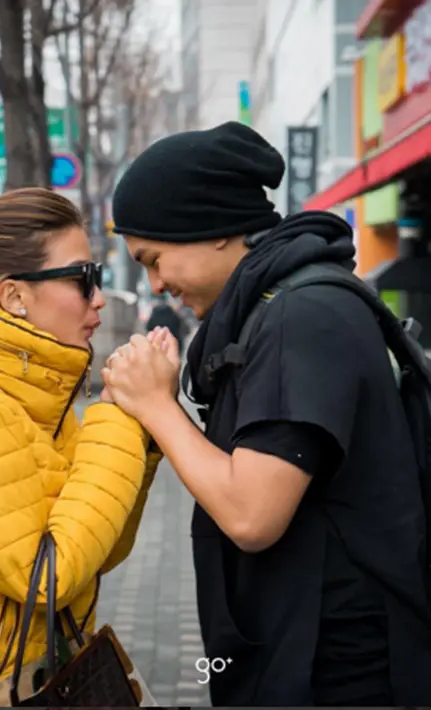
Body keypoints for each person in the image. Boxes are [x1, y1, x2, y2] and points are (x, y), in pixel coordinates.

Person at [102, 121, 431, 706]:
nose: (156, 284)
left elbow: (252, 515)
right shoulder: (278, 306)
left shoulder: (299, 317)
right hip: (303, 649)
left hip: (342, 673)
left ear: (207, 226)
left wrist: (158, 407)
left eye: (154, 259)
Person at [0, 187, 167, 707]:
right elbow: (47, 579)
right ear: (15, 296)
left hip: (30, 683)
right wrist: (114, 420)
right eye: (83, 279)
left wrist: (140, 432)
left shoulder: (39, 401)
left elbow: (97, 552)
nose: (100, 298)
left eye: (99, 279)